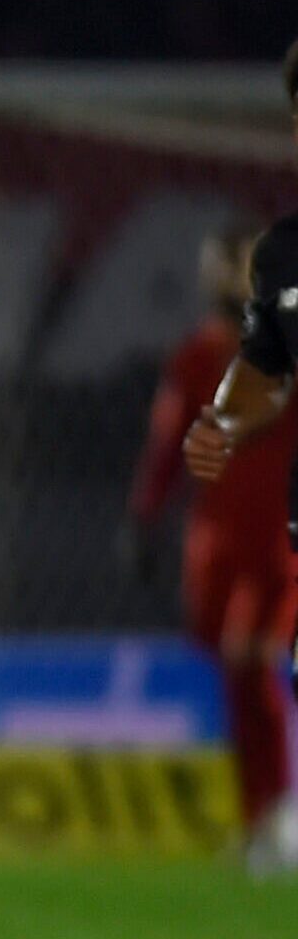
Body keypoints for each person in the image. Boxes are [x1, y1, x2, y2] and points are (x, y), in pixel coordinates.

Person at [126, 223, 298, 873]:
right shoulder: (197, 358)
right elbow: (169, 444)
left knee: (252, 657)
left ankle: (281, 811)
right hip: (217, 543)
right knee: (235, 670)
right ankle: (260, 816)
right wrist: (144, 518)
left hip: (278, 540)